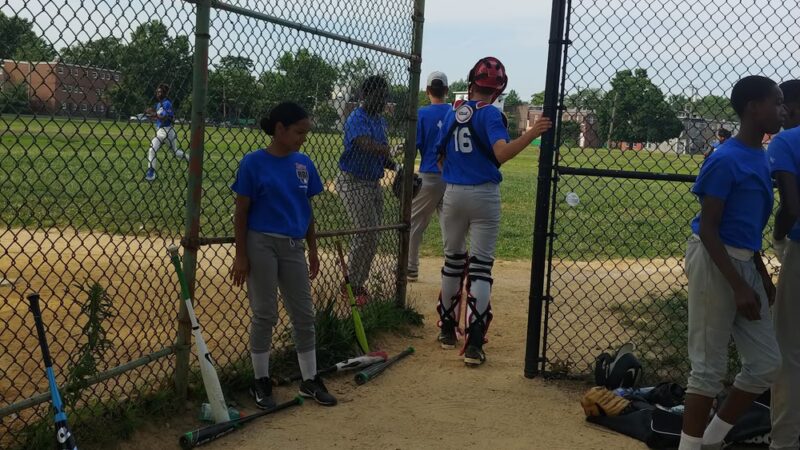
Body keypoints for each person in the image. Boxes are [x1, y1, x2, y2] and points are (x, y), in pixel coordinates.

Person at [678, 76, 784, 450]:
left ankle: (710, 440)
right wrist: (738, 285)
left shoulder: (760, 156)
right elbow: (709, 228)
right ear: (754, 107)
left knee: (767, 364)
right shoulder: (725, 158)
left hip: (743, 262)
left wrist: (758, 276)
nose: (782, 110)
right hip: (714, 259)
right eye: (777, 102)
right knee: (707, 370)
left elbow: (747, 227)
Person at [434, 57, 551, 365]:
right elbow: (502, 153)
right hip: (484, 193)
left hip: (453, 193)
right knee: (481, 267)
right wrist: (532, 134)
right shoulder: (490, 115)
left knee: (453, 261)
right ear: (498, 91)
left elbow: (440, 157)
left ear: (471, 83)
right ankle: (473, 343)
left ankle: (447, 329)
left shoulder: (451, 114)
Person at [230, 102, 336, 408]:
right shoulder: (253, 163)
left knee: (304, 314)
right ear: (279, 129)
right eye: (299, 132)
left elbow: (307, 210)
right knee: (265, 313)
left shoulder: (303, 163)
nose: (304, 138)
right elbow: (241, 211)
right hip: (260, 243)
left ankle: (309, 379)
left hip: (293, 246)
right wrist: (241, 254)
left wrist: (313, 248)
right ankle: (260, 381)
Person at [335, 75, 394, 305]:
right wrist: (387, 150)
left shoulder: (380, 121)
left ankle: (359, 281)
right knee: (365, 232)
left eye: (384, 97)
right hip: (353, 182)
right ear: (364, 96)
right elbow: (364, 144)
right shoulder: (356, 118)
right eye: (378, 96)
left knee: (373, 235)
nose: (382, 101)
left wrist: (397, 167)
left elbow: (383, 155)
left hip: (372, 182)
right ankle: (352, 284)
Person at [768, 79, 800, 450]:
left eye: (782, 104)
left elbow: (791, 206)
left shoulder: (787, 140)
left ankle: (785, 441)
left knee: (789, 347)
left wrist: (779, 239)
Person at [407, 71, 451, 282]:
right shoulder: (454, 112)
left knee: (415, 223)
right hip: (452, 178)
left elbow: (413, 147)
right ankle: (453, 270)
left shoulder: (422, 113)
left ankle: (411, 268)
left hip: (429, 176)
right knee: (450, 225)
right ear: (446, 90)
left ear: (427, 91)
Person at [145, 84, 186, 181]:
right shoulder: (159, 104)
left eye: (160, 92)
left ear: (165, 93)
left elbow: (167, 118)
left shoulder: (167, 103)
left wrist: (154, 114)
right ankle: (151, 172)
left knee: (175, 152)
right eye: (157, 92)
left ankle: (190, 159)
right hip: (159, 131)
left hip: (168, 131)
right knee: (152, 149)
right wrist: (150, 115)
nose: (158, 93)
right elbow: (158, 117)